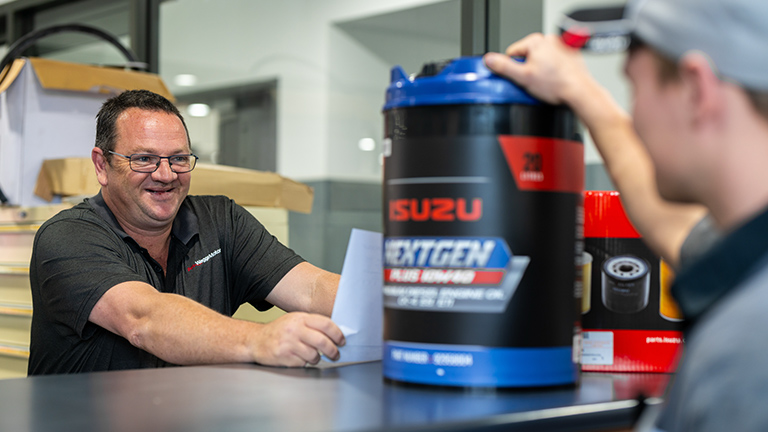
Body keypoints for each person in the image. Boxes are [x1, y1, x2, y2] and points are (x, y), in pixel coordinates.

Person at [485, 0, 768, 430]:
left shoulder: (744, 354)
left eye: (634, 87)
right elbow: (679, 228)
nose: (635, 117)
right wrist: (580, 92)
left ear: (697, 89)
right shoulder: (747, 261)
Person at [28, 89, 345, 375]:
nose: (166, 175)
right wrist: (260, 339)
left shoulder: (221, 221)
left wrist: (374, 302)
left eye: (178, 159)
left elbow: (311, 288)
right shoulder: (66, 237)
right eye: (144, 159)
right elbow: (145, 320)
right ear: (102, 165)